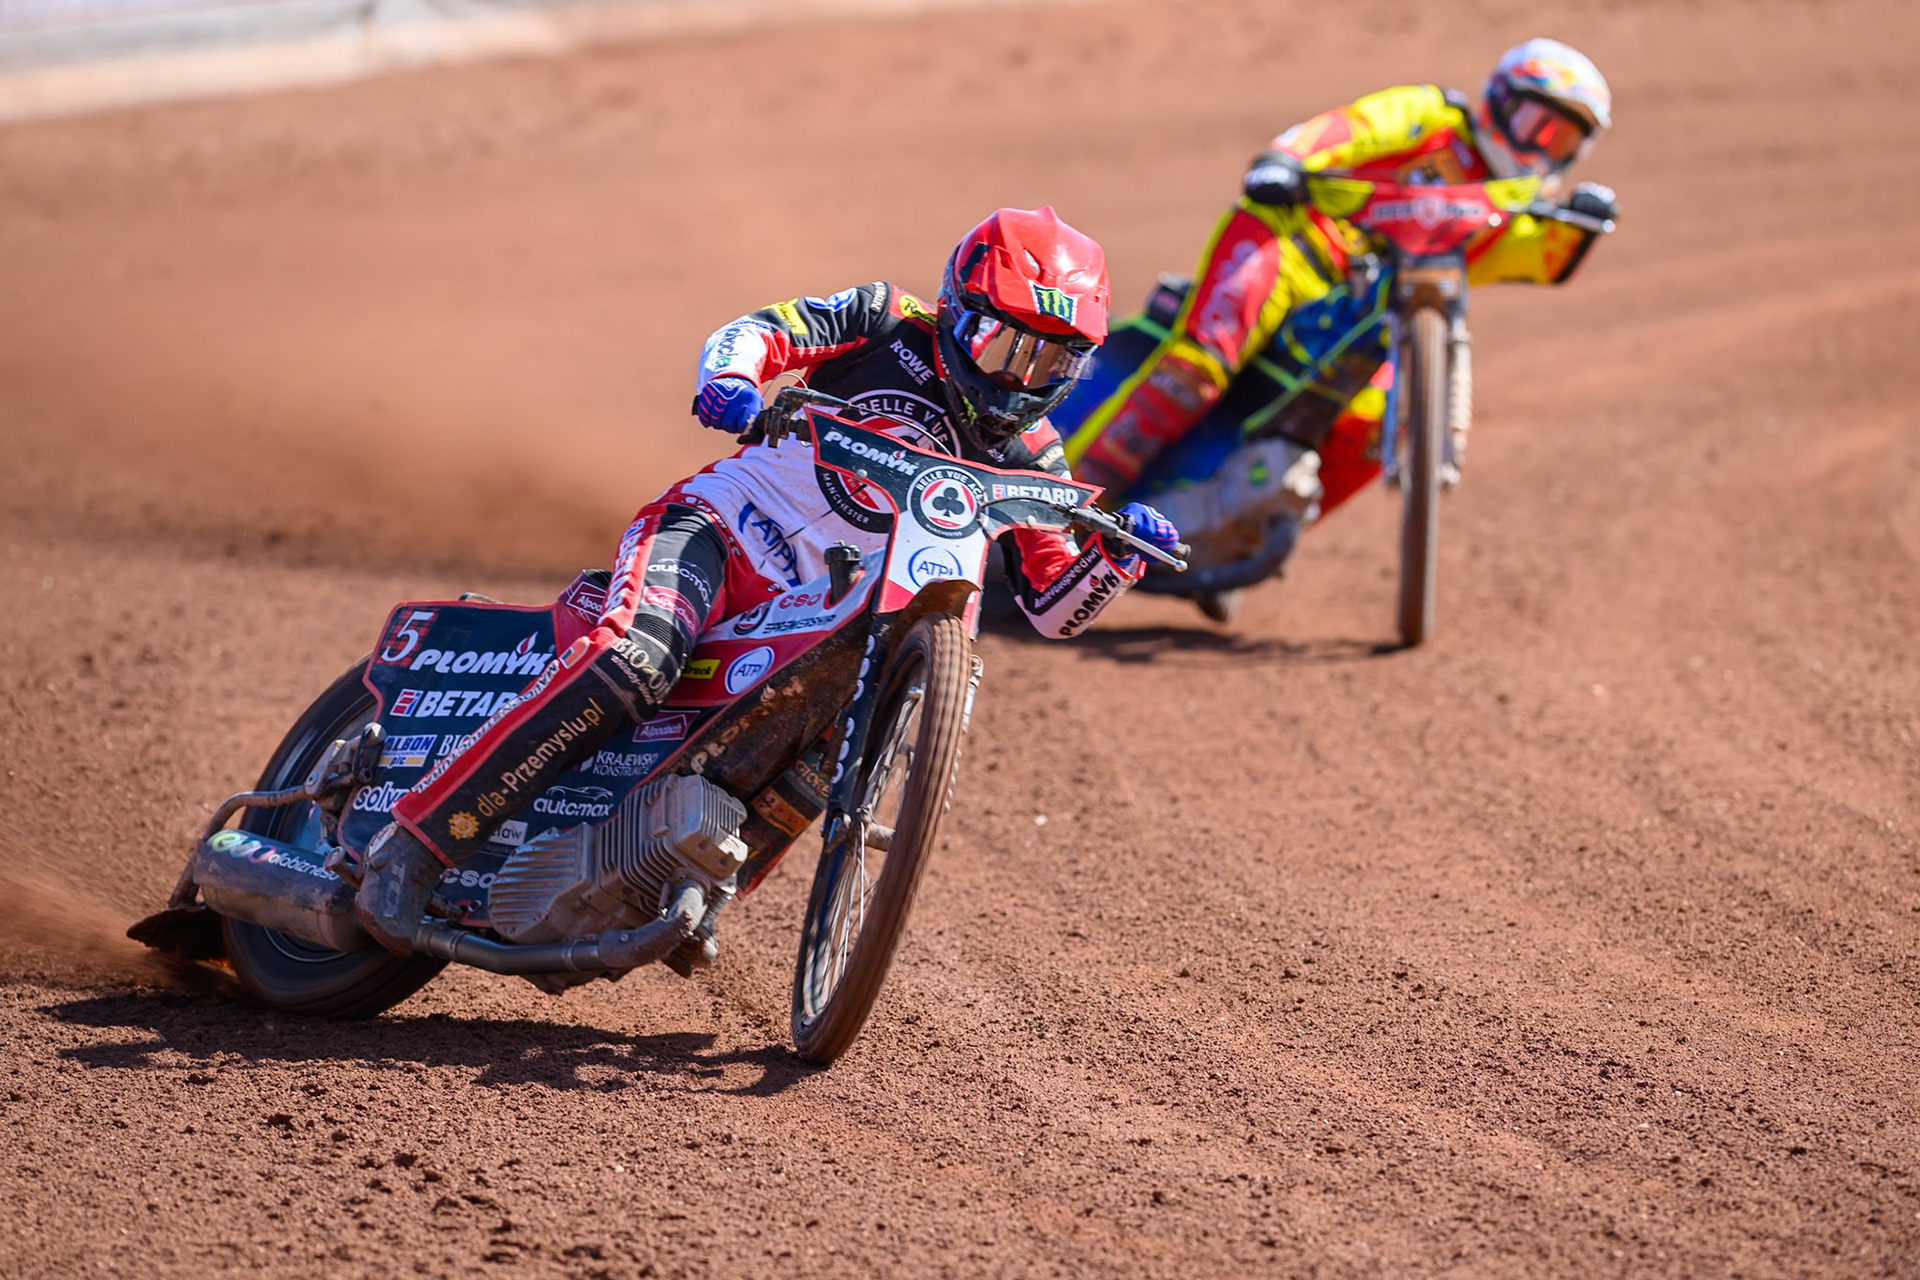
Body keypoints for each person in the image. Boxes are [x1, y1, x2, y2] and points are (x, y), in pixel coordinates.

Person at [354, 206, 1180, 955]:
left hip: (820, 607)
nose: (1018, 378)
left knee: (830, 737)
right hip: (718, 532)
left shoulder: (1032, 455)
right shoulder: (887, 321)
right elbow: (761, 332)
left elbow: (1054, 608)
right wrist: (733, 384)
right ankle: (415, 845)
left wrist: (1120, 556)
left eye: (1050, 362)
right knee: (638, 660)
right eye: (1006, 345)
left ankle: (684, 885)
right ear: (958, 312)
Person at [1059, 38, 1618, 619]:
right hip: (1293, 243)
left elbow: (1533, 254)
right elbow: (1351, 130)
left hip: (1370, 311)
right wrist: (1286, 159)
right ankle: (1063, 517)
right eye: (1537, 124)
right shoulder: (1433, 115)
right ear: (1500, 100)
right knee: (1197, 368)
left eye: (1564, 138)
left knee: (1377, 429)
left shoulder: (1508, 205)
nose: (1542, 147)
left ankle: (1233, 546)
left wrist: (1580, 221)